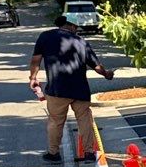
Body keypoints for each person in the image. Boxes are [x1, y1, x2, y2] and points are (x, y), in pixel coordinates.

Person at [28, 16, 115, 159]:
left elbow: (36, 60)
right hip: (80, 89)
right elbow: (97, 67)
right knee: (85, 119)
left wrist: (33, 78)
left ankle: (53, 153)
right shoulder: (81, 42)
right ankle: (88, 152)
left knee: (55, 121)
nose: (77, 31)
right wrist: (107, 74)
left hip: (57, 90)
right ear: (72, 26)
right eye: (76, 28)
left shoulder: (45, 37)